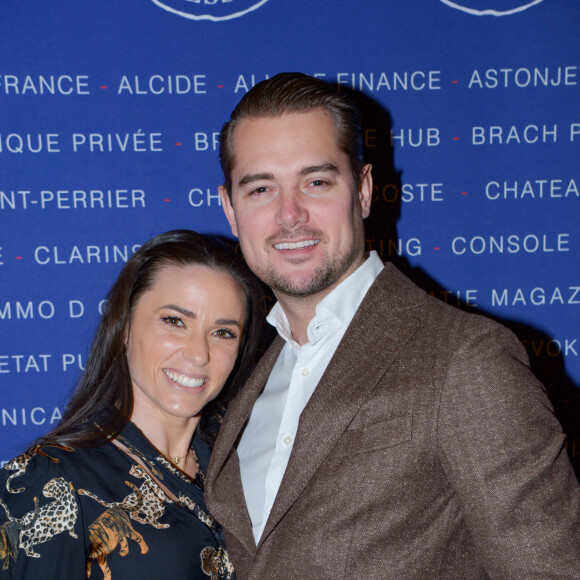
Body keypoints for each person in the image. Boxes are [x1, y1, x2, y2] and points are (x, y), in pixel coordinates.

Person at [205, 73, 580, 579]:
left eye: (316, 182)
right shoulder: (245, 380)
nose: (289, 214)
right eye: (261, 189)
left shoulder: (464, 358)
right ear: (231, 209)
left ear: (362, 191)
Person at [0, 229, 263, 579]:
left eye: (223, 332)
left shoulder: (252, 461)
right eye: (174, 321)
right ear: (123, 326)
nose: (199, 354)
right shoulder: (50, 481)